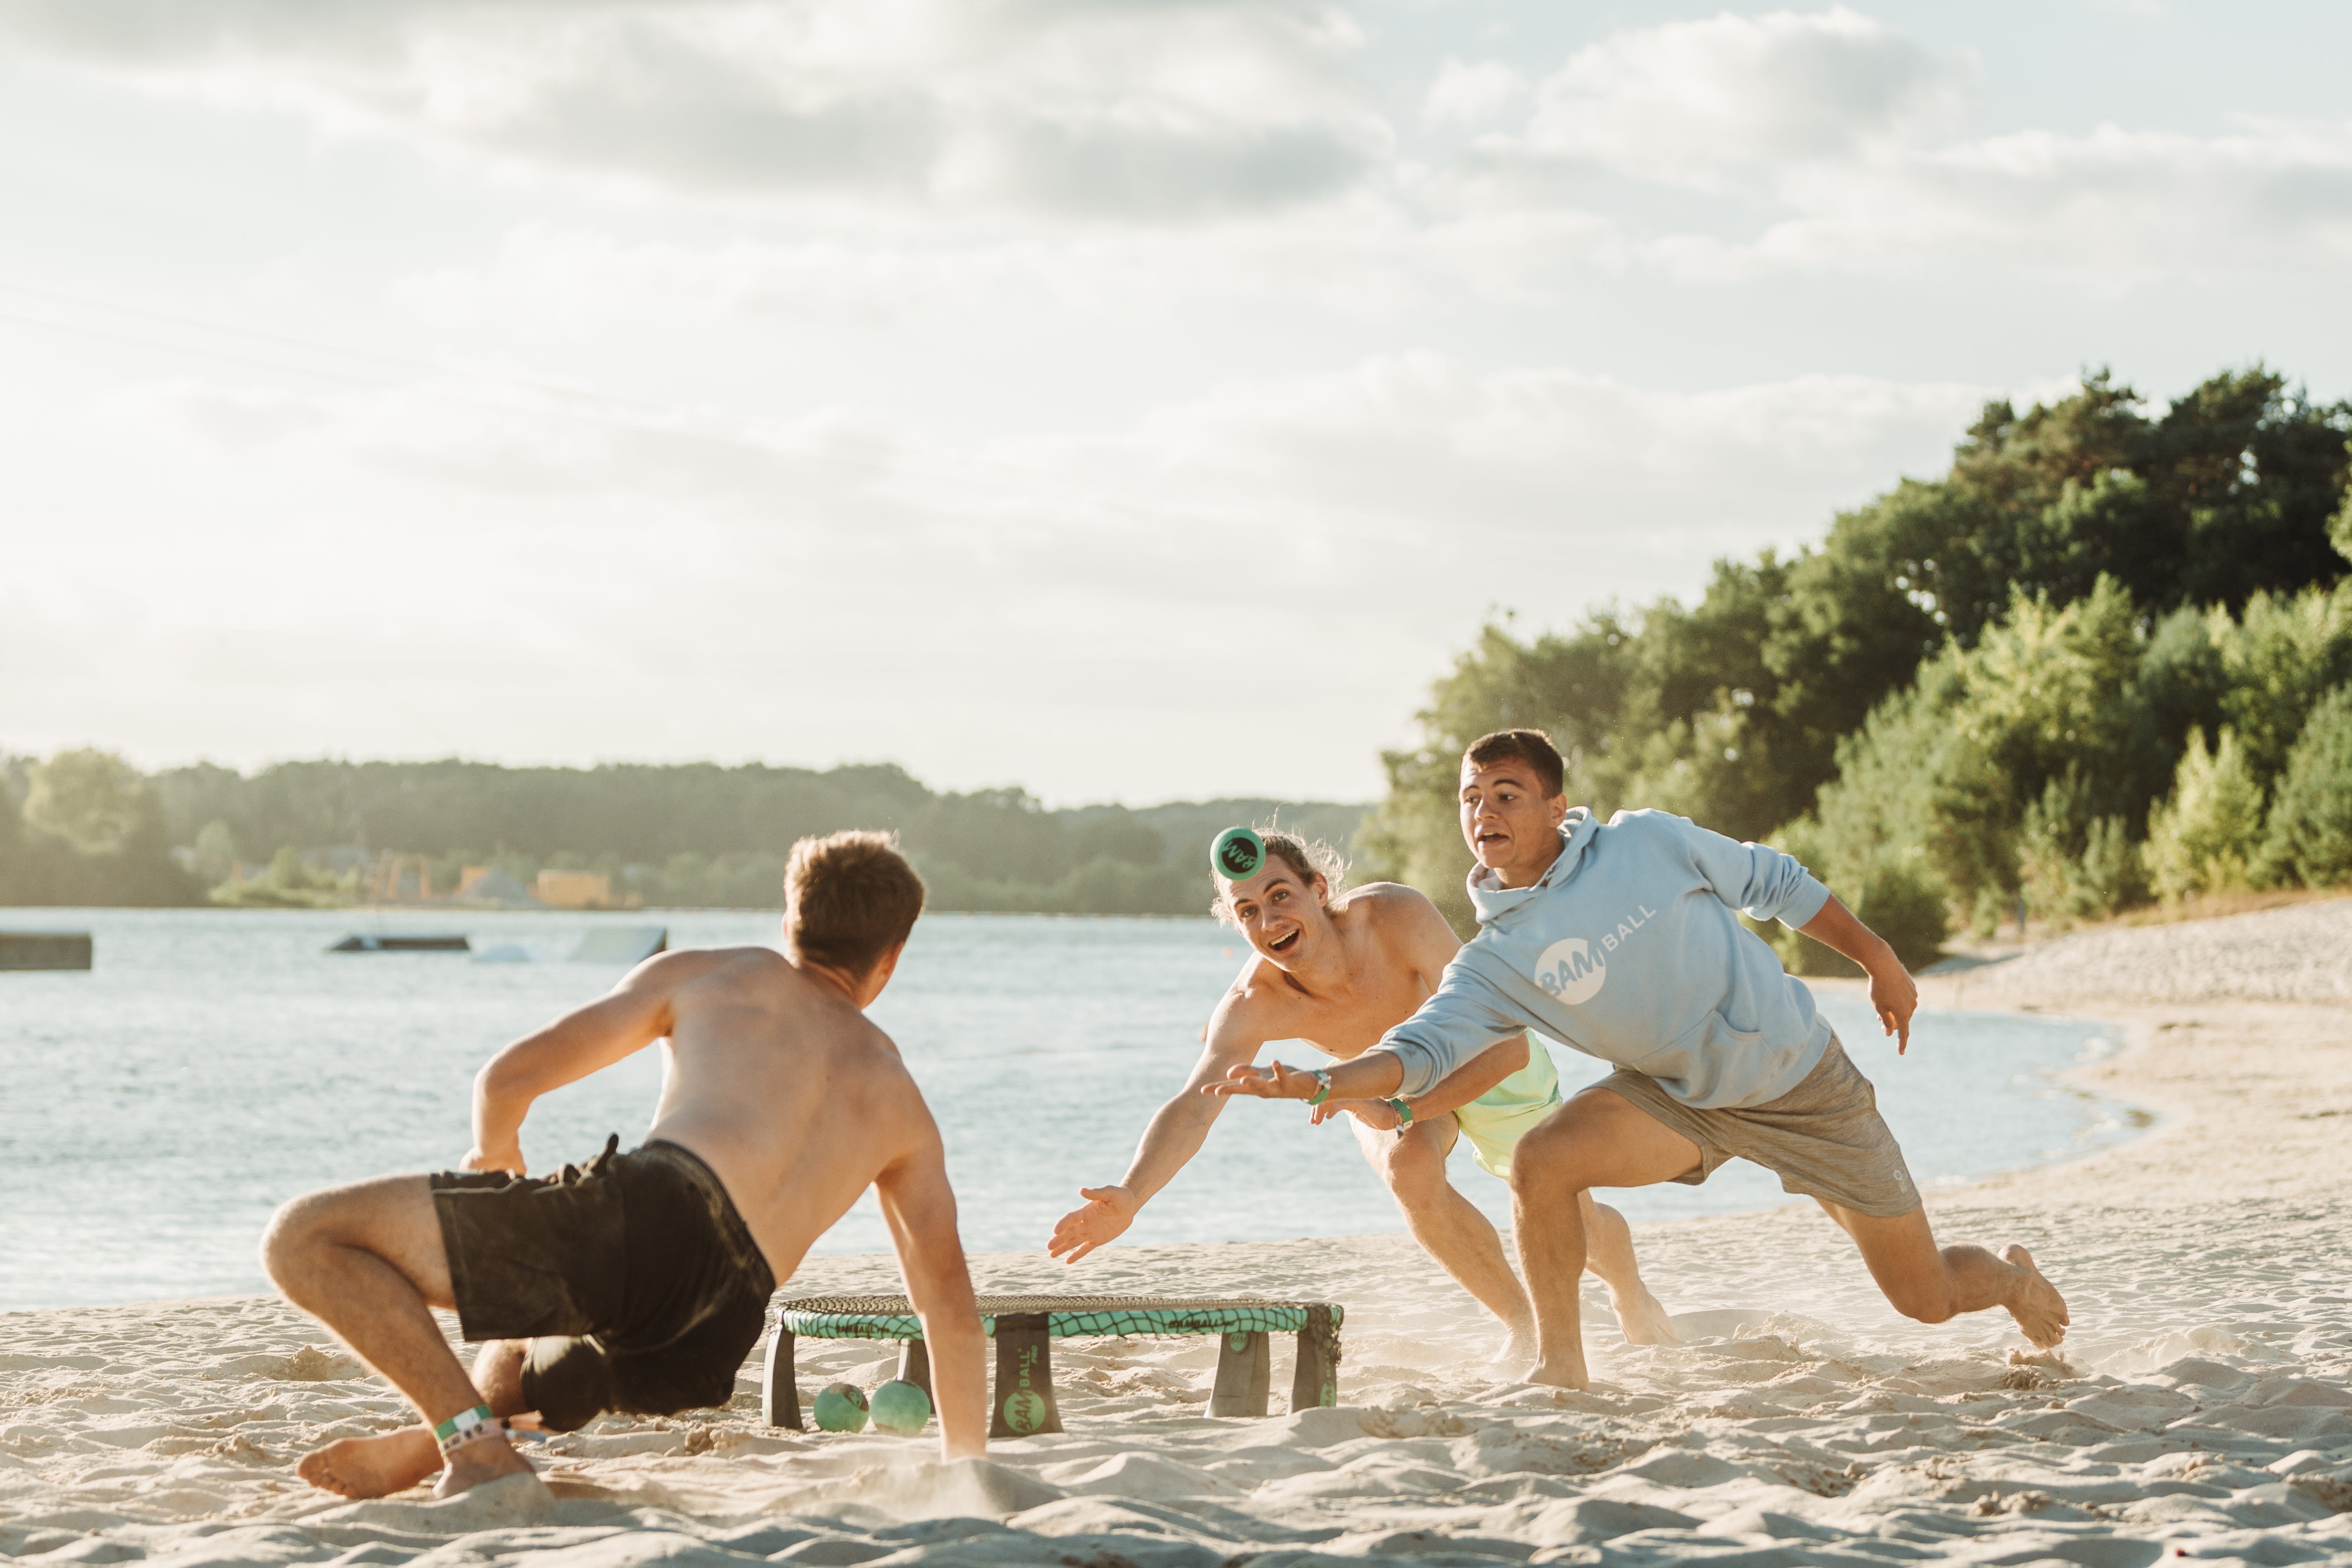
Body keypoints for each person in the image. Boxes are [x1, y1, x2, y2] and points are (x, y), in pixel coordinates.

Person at [1211, 728, 2070, 1391]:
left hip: (1803, 1083)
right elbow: (1423, 1046)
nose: (1485, 814)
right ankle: (1562, 1368)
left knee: (1922, 1299)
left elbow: (1773, 880)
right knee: (1543, 1160)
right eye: (1471, 799)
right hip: (1678, 1102)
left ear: (1555, 806)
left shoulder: (1646, 843)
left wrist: (1876, 956)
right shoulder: (1498, 955)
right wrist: (1324, 1081)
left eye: (1507, 795)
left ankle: (2008, 1279)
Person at [261, 831, 987, 1498]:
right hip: (714, 1338)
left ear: (791, 919)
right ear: (890, 957)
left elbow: (507, 1080)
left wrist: (495, 1157)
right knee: (538, 1338)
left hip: (655, 1217)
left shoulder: (717, 975)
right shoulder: (902, 1099)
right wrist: (969, 1474)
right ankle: (448, 1445)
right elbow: (947, 1305)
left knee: (304, 1238)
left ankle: (475, 1450)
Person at [1048, 827, 1676, 1360]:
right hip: (1370, 1080)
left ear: (1320, 890)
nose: (1269, 921)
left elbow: (1507, 1043)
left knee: (1570, 1214)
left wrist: (1405, 1106)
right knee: (1409, 1169)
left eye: (1280, 896)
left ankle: (1632, 1295)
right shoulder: (1252, 1005)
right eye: (1247, 912)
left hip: (1478, 1050)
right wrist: (1132, 1194)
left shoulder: (1396, 918)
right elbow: (1195, 1104)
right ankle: (1524, 1326)